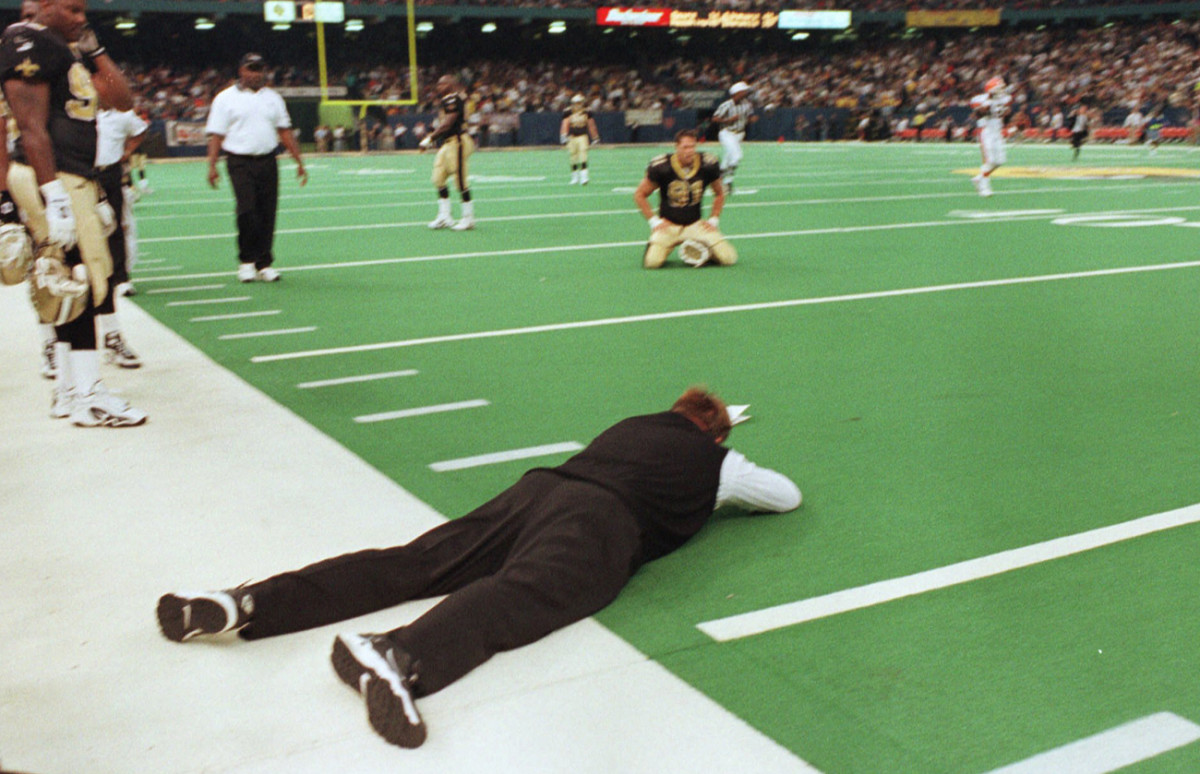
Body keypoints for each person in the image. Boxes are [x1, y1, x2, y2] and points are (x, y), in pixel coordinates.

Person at [156, 388, 801, 749]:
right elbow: (785, 496)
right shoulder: (718, 461)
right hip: (602, 523)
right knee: (523, 594)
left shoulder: (631, 420)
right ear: (716, 433)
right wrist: (721, 468)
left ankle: (245, 604)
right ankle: (397, 655)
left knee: (411, 563)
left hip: (538, 491)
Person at [1, 0, 148, 427]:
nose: (82, 17)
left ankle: (68, 388)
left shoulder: (59, 47)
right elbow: (30, 127)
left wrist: (92, 48)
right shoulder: (25, 41)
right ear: (43, 7)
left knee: (65, 283)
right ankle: (88, 395)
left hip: (70, 176)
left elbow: (121, 100)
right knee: (81, 281)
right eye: (72, 8)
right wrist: (54, 195)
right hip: (58, 178)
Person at [205, 52, 307, 283]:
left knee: (267, 212)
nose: (256, 73)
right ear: (241, 70)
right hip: (239, 160)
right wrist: (212, 165)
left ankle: (265, 262)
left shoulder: (273, 98)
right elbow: (217, 134)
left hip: (268, 159)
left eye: (259, 69)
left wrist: (299, 161)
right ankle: (246, 261)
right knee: (247, 210)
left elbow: (284, 131)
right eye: (251, 68)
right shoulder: (225, 98)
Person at [633, 129, 737, 269]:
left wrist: (714, 219)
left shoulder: (707, 163)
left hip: (695, 224)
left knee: (728, 258)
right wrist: (654, 221)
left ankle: (704, 251)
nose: (690, 151)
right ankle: (658, 245)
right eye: (685, 147)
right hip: (669, 226)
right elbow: (639, 194)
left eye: (693, 146)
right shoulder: (662, 166)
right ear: (676, 147)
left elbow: (719, 192)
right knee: (652, 263)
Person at [93, 99, 146, 366]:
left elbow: (140, 130)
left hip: (109, 174)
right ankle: (53, 345)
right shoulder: (66, 108)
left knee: (115, 231)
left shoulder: (119, 113)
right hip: (76, 177)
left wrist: (125, 154)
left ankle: (122, 278)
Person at [420, 74, 475, 231]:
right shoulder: (446, 100)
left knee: (461, 180)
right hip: (447, 143)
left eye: (442, 84)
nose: (439, 87)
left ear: (451, 84)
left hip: (457, 142)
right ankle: (445, 216)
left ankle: (468, 218)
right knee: (438, 178)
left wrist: (429, 139)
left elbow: (448, 123)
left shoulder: (453, 99)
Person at [968, 76, 1012, 198]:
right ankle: (984, 186)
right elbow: (978, 115)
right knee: (990, 160)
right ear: (992, 89)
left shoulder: (1005, 99)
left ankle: (979, 178)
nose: (1002, 90)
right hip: (986, 131)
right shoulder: (981, 99)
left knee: (1000, 161)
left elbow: (1005, 114)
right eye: (999, 88)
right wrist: (988, 102)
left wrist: (1006, 112)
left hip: (997, 131)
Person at [710, 81, 756, 194]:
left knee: (727, 159)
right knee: (736, 156)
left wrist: (751, 120)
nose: (746, 93)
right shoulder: (726, 105)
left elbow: (749, 116)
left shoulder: (747, 104)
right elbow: (714, 118)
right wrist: (727, 120)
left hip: (740, 134)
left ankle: (721, 179)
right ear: (737, 93)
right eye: (744, 91)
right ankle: (725, 179)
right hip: (727, 133)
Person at [559, 93, 599, 185]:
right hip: (572, 137)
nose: (578, 105)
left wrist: (595, 137)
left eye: (579, 102)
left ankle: (584, 177)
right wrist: (563, 135)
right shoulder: (568, 111)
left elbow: (591, 125)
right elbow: (565, 124)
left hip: (582, 136)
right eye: (576, 103)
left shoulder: (586, 112)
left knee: (583, 155)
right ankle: (575, 177)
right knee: (573, 157)